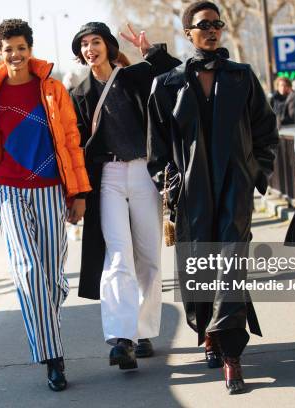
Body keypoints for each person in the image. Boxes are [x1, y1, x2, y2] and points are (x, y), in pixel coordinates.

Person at [0, 19, 91, 392]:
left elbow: (72, 142)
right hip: (10, 190)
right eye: (8, 49)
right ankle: (53, 358)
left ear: (30, 49)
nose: (15, 54)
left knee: (52, 275)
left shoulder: (53, 89)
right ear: (0, 52)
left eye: (21, 48)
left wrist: (78, 194)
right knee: (28, 272)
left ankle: (47, 321)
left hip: (51, 190)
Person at [147, 1, 278, 394]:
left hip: (235, 187)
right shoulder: (166, 85)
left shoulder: (242, 77)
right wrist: (169, 185)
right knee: (199, 264)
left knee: (232, 263)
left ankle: (233, 356)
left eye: (217, 24)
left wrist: (257, 171)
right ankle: (208, 332)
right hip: (192, 192)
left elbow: (265, 130)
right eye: (203, 25)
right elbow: (156, 151)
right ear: (188, 32)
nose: (212, 30)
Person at [70, 21, 180, 370]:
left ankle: (143, 330)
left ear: (109, 46)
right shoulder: (80, 92)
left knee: (148, 256)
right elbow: (77, 145)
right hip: (109, 177)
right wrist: (78, 192)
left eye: (96, 41)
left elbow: (175, 76)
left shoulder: (133, 77)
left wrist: (150, 51)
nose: (90, 48)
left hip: (144, 171)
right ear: (80, 54)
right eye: (84, 44)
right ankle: (121, 337)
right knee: (118, 256)